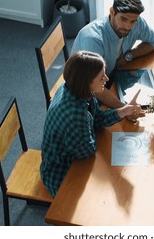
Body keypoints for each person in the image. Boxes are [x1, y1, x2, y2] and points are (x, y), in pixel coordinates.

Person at [40, 51, 143, 197]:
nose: (106, 79)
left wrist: (122, 111)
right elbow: (87, 151)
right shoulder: (74, 116)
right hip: (61, 174)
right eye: (101, 78)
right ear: (86, 82)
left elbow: (97, 117)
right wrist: (91, 130)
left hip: (72, 157)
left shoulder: (79, 91)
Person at [71, 0, 154, 116]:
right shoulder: (93, 38)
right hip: (86, 90)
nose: (128, 26)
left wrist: (129, 56)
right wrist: (125, 109)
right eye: (123, 19)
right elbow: (94, 87)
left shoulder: (136, 22)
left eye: (132, 21)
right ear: (112, 12)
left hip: (109, 77)